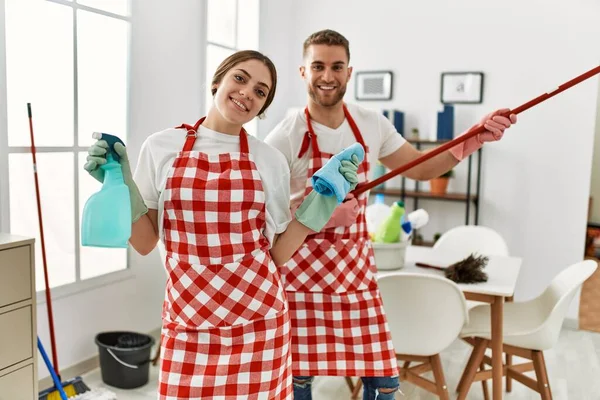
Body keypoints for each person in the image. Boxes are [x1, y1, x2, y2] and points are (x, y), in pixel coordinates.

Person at [83, 50, 361, 400]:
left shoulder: (269, 160)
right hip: (189, 323)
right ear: (218, 80)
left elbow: (275, 254)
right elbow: (144, 242)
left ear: (262, 107)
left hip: (259, 323)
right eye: (241, 78)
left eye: (261, 92)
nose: (248, 92)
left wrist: (317, 209)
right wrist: (121, 185)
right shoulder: (161, 147)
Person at [264, 29, 517, 400]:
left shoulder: (371, 123)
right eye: (318, 66)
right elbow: (261, 209)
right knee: (297, 380)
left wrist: (476, 136)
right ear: (303, 72)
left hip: (355, 273)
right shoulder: (286, 134)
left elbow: (422, 167)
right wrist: (323, 215)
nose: (328, 76)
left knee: (384, 382)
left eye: (337, 66)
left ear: (350, 72)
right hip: (299, 276)